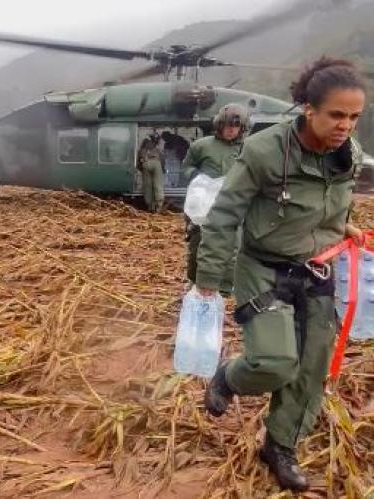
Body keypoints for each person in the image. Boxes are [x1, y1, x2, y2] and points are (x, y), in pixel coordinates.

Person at [196, 57, 366, 492]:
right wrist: (208, 279)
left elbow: (334, 200)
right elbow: (224, 215)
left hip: (317, 269)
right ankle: (228, 376)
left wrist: (341, 226)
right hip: (263, 268)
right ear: (309, 109)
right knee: (275, 363)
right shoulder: (264, 151)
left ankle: (279, 446)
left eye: (354, 116)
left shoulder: (350, 154)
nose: (345, 125)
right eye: (336, 115)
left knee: (310, 371)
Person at [182, 104, 249, 295]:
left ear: (242, 129)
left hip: (233, 205)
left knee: (233, 248)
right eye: (227, 126)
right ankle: (195, 282)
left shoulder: (248, 149)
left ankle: (226, 289)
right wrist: (197, 177)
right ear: (219, 125)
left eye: (235, 127)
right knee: (199, 245)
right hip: (204, 205)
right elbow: (186, 167)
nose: (231, 130)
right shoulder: (201, 146)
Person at [137, 129, 165, 212]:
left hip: (146, 164)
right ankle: (159, 206)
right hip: (156, 164)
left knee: (148, 186)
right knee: (158, 185)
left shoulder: (144, 146)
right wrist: (163, 168)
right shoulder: (157, 148)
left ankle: (150, 206)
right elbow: (162, 159)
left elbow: (139, 159)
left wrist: (141, 168)